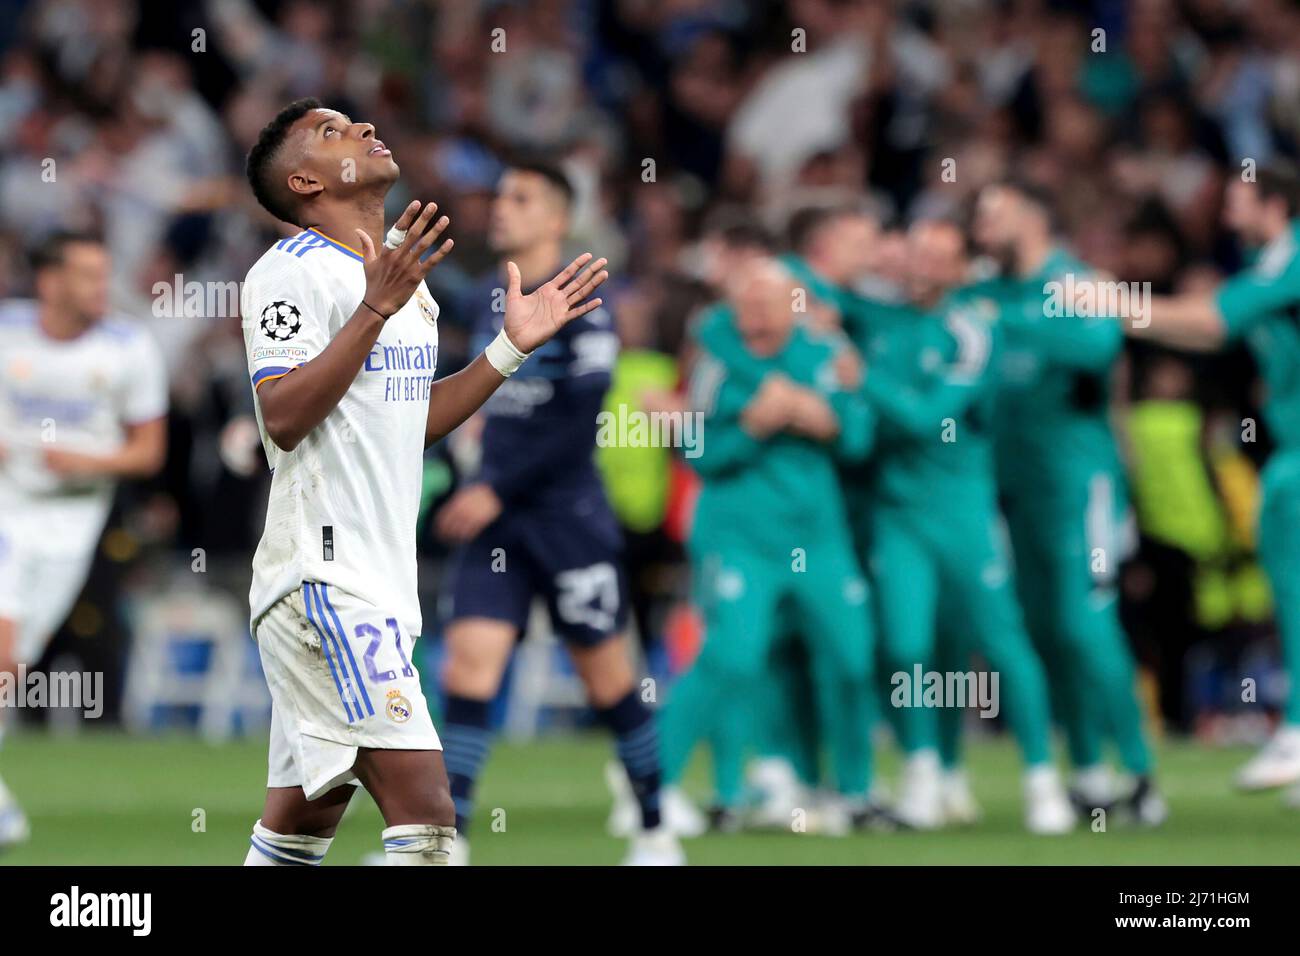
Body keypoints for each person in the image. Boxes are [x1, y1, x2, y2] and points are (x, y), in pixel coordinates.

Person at [239, 98, 607, 865]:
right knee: (429, 815)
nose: (368, 129)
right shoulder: (288, 274)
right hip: (322, 577)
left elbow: (410, 420)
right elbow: (280, 415)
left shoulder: (402, 278)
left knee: (302, 824)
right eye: (334, 132)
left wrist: (508, 348)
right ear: (305, 180)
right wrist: (374, 306)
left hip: (375, 579)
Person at [433, 162, 681, 865]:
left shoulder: (585, 297)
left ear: (557, 220)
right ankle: (449, 840)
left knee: (608, 680)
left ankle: (657, 828)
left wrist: (496, 486)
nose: (502, 209)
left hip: (566, 517)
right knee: (469, 669)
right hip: (497, 519)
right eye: (501, 196)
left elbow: (579, 419)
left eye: (522, 198)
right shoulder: (486, 296)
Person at [1089, 162, 1300, 802]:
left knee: (1289, 575)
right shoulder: (1266, 271)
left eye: (1239, 200)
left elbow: (1210, 325)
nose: (1225, 212)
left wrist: (1115, 305)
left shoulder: (1286, 262)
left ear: (1275, 205)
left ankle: (1295, 730)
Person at [859, 220, 1075, 833]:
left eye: (938, 258)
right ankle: (923, 774)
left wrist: (860, 379)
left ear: (960, 269)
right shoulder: (887, 323)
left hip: (963, 511)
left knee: (1002, 643)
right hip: (900, 515)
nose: (923, 267)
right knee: (904, 647)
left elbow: (929, 415)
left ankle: (1042, 779)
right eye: (916, 255)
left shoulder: (972, 329)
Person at [971, 180, 1164, 824]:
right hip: (1015, 488)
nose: (980, 226)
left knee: (1087, 627)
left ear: (1033, 218)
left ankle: (1140, 774)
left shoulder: (1075, 284)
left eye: (992, 213)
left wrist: (1011, 322)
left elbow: (1098, 345)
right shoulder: (987, 291)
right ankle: (1087, 772)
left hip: (1082, 487)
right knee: (1045, 630)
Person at [662, 257, 877, 831]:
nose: (755, 312)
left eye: (767, 300)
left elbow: (859, 440)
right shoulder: (716, 362)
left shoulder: (826, 355)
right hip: (742, 539)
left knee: (854, 659)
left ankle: (853, 792)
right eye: (746, 301)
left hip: (819, 539)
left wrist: (820, 419)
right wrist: (755, 427)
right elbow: (701, 454)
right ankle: (652, 785)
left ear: (795, 304)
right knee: (732, 658)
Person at [0, 231, 169, 850]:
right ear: (49, 282)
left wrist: (86, 462)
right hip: (6, 508)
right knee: (2, 650)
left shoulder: (129, 349)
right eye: (87, 275)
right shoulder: (7, 334)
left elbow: (148, 451)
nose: (102, 287)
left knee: (12, 668)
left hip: (75, 522)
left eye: (104, 274)